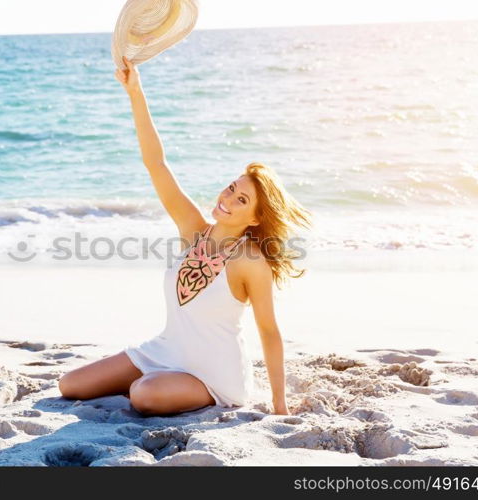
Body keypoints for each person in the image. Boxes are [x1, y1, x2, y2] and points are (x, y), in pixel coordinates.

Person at [58, 56, 312, 416]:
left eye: (242, 200)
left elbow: (269, 331)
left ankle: (185, 391)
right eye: (230, 189)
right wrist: (135, 92)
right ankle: (159, 382)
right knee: (71, 385)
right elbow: (156, 164)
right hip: (164, 351)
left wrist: (279, 404)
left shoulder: (251, 262)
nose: (227, 199)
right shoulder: (193, 230)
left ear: (256, 217)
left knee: (143, 395)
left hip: (213, 372)